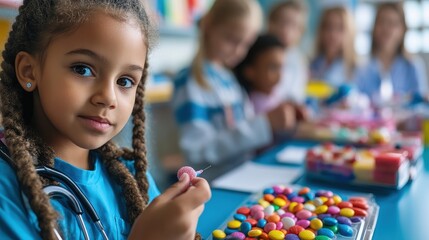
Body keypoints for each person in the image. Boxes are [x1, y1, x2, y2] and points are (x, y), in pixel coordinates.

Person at [0, 1, 210, 239]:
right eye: (82, 69)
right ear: (29, 70)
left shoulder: (129, 175)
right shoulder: (6, 193)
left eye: (125, 81)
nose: (108, 98)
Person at [172, 0, 298, 181]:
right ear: (209, 26)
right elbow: (197, 153)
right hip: (212, 186)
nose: (239, 51)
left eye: (246, 44)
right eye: (232, 40)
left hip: (241, 177)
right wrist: (264, 124)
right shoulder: (190, 82)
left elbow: (244, 128)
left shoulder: (229, 80)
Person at [356, 2, 428, 105]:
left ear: (403, 30)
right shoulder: (362, 68)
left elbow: (421, 104)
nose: (386, 29)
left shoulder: (413, 66)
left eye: (393, 24)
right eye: (382, 22)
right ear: (374, 27)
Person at [267, 0, 309, 104]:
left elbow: (298, 94)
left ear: (301, 31)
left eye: (293, 25)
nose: (286, 30)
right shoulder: (261, 54)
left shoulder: (298, 59)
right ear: (270, 23)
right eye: (282, 22)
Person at [234, 34, 286, 114]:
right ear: (249, 71)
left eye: (281, 68)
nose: (279, 76)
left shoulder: (275, 97)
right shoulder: (248, 108)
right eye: (273, 68)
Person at [310, 6, 357, 88]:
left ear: (350, 33)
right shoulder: (311, 65)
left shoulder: (356, 69)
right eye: (328, 27)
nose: (333, 34)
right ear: (321, 30)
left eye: (340, 28)